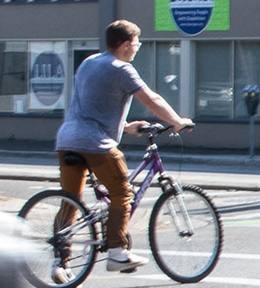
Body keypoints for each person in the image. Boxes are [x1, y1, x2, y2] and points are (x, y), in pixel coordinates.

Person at [56, 18, 188, 270]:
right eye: (137, 43)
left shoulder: (89, 63)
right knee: (122, 193)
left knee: (70, 200)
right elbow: (151, 99)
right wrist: (177, 121)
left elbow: (92, 104)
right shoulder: (122, 68)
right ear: (126, 44)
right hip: (95, 142)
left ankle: (60, 261)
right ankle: (117, 251)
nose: (138, 47)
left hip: (66, 139)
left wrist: (126, 126)